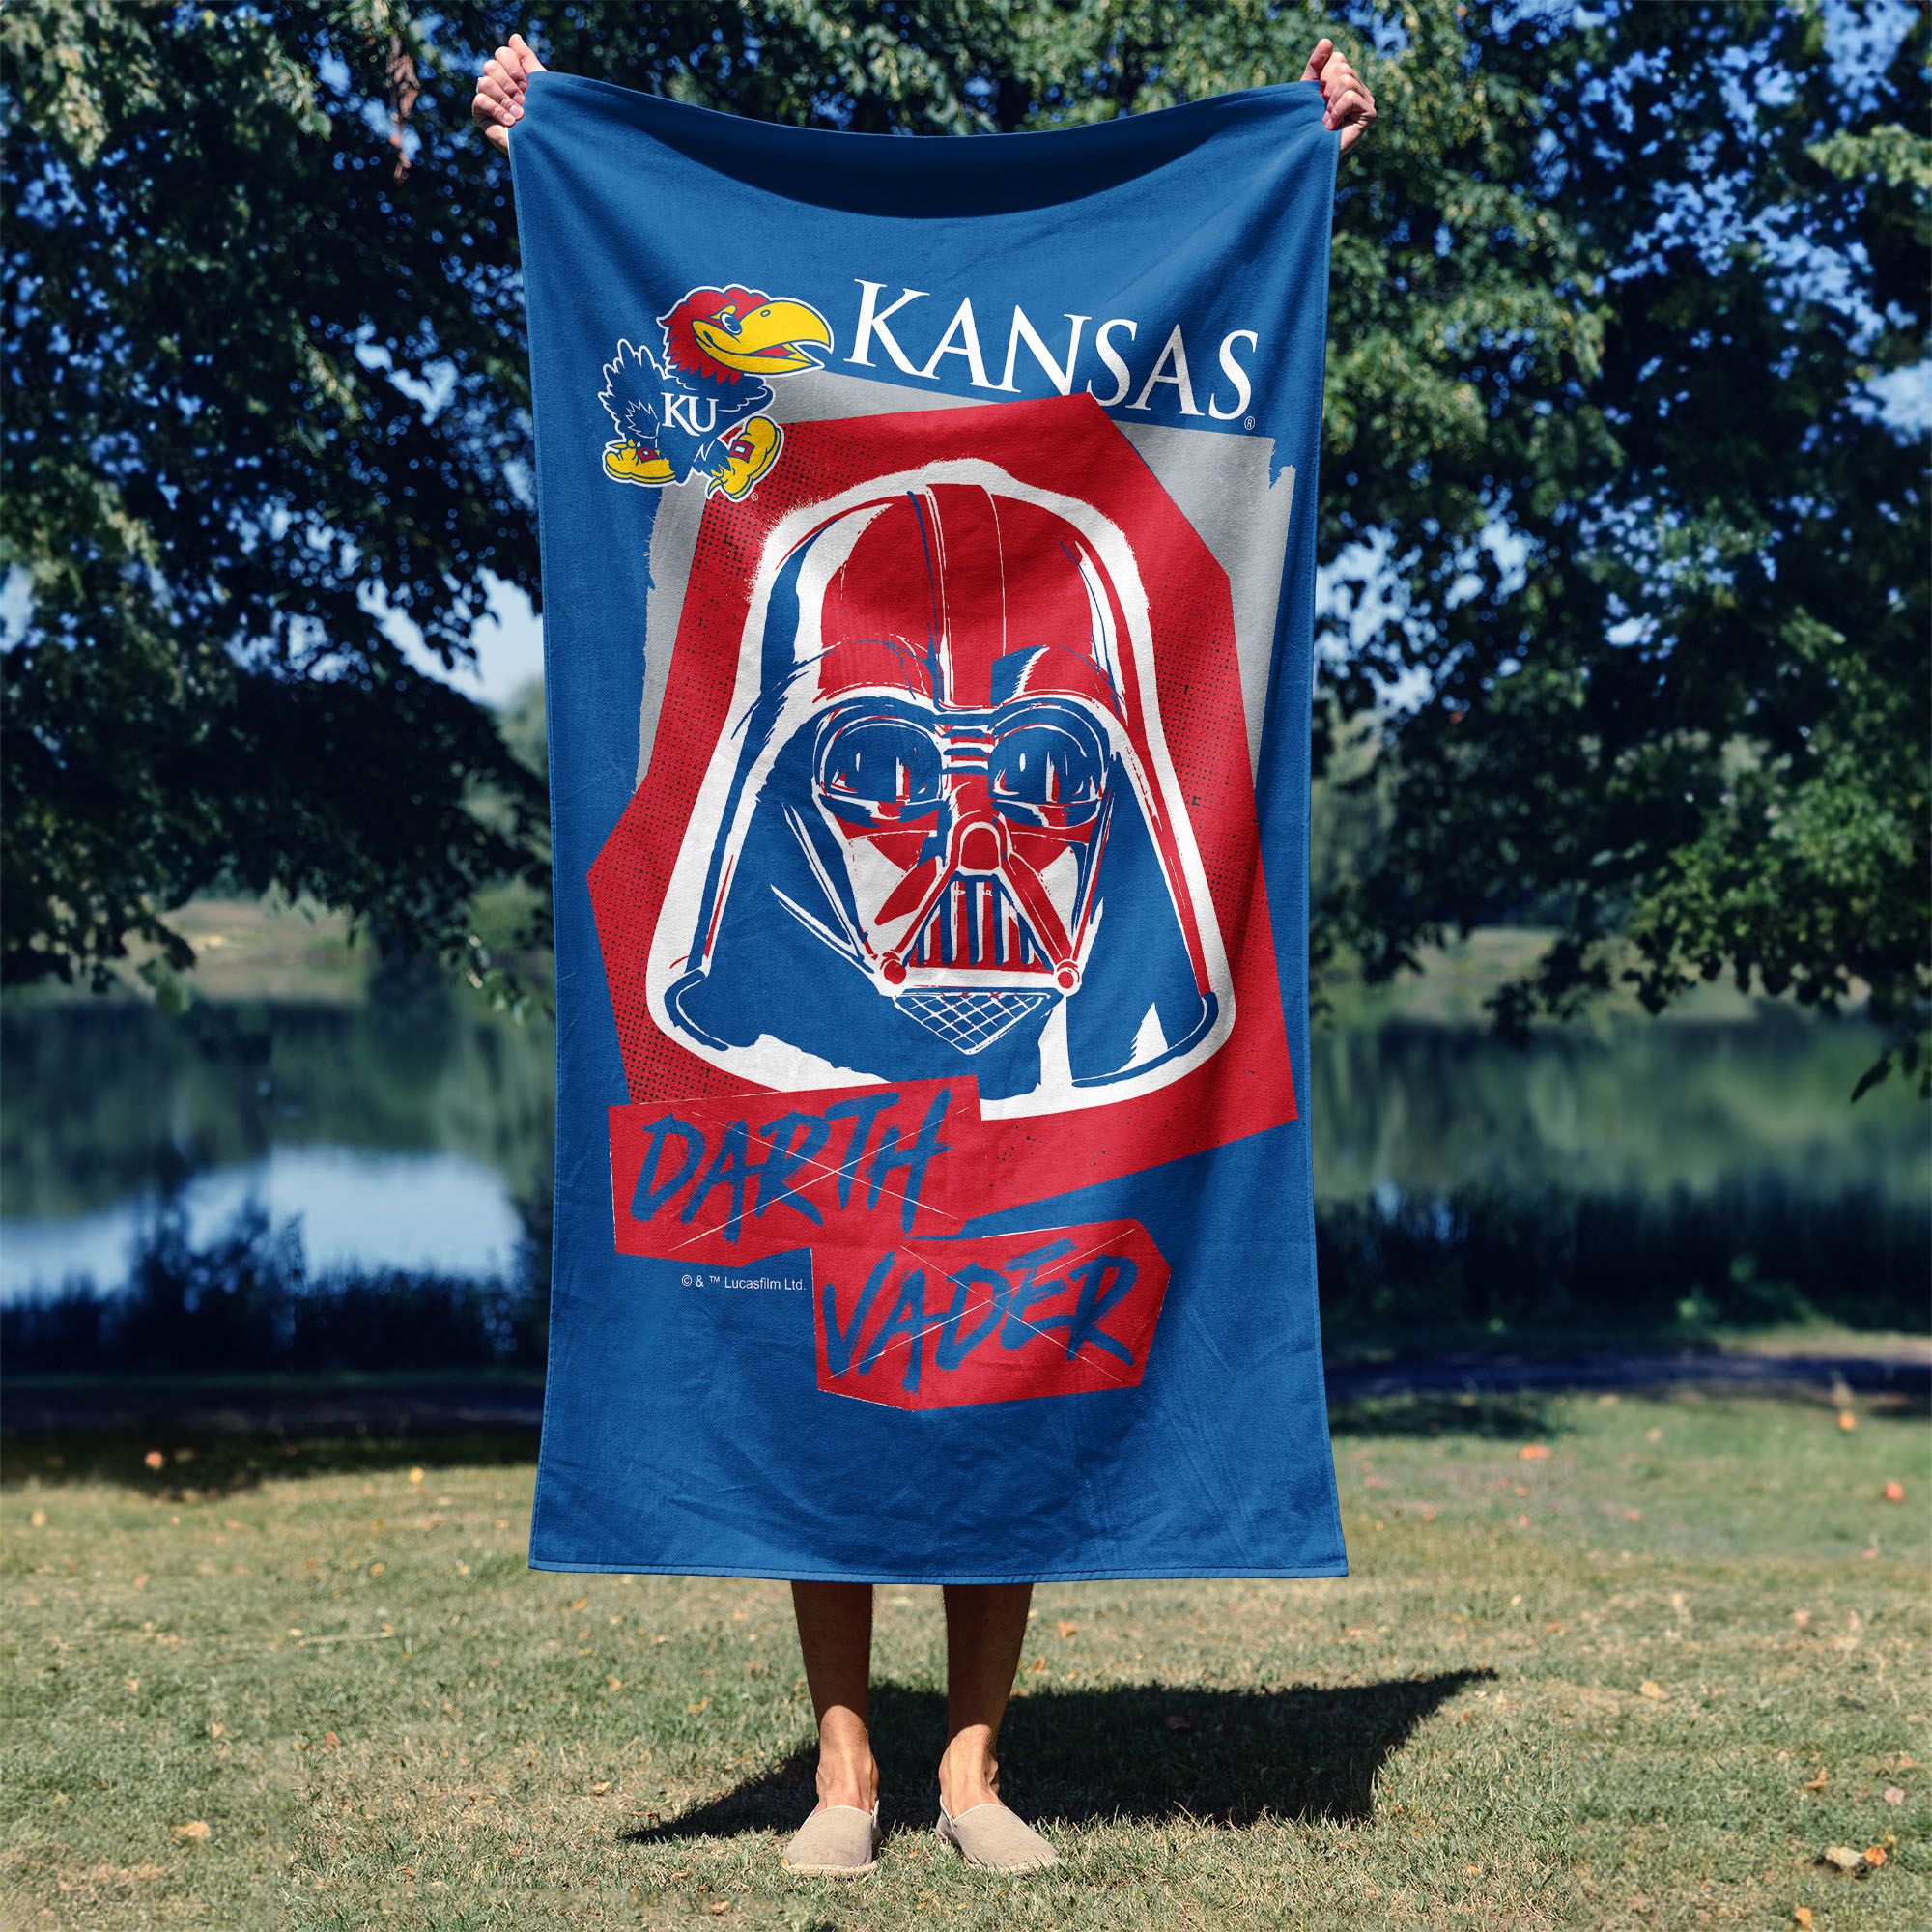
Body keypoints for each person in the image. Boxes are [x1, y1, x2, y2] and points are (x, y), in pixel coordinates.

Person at [470, 25, 1377, 1880]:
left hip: (1059, 1118)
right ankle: (845, 1773)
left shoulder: (1102, 936)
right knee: (824, 1390)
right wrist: (543, 135)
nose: (971, 853)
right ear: (773, 799)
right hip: (826, 1107)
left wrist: (1302, 151)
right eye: (884, 772)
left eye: (1039, 782)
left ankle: (970, 1772)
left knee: (1013, 1395)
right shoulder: (781, 913)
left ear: (1116, 794)